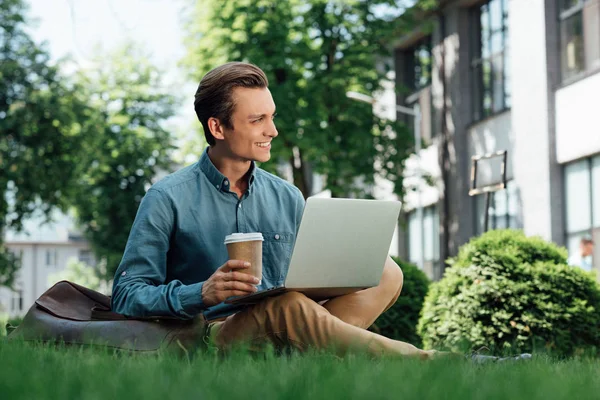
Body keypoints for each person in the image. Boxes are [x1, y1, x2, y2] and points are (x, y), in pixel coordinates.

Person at [110, 61, 436, 359]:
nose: (273, 131)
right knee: (286, 306)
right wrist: (201, 292)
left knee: (385, 271)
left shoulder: (287, 196)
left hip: (287, 324)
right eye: (257, 120)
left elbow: (307, 283)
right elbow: (127, 294)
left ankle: (307, 361)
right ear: (218, 128)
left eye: (272, 117)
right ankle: (425, 363)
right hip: (210, 336)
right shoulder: (167, 198)